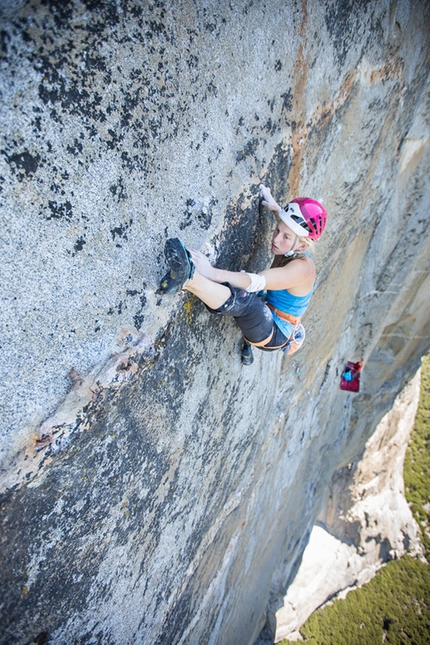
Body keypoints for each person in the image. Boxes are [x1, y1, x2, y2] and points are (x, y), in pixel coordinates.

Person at [159, 184, 327, 365]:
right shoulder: (293, 245)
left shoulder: (302, 269)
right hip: (269, 309)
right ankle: (247, 345)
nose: (276, 239)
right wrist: (276, 208)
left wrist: (211, 272)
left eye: (285, 237)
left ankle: (188, 278)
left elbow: (255, 281)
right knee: (246, 293)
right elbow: (287, 228)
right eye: (277, 230)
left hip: (275, 333)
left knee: (246, 300)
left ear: (302, 246)